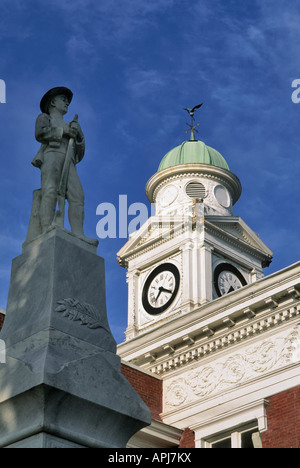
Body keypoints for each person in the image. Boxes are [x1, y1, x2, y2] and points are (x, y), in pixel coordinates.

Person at [30, 87, 96, 245]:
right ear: (53, 102)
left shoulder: (72, 125)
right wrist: (63, 130)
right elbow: (40, 133)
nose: (67, 102)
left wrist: (79, 136)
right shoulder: (44, 117)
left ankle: (78, 233)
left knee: (77, 196)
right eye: (63, 99)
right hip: (52, 154)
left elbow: (79, 153)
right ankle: (46, 227)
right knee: (50, 190)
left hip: (69, 161)